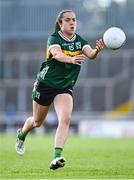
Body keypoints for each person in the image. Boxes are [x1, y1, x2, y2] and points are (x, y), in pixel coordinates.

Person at [15, 9, 104, 170]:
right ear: (60, 24)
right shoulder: (54, 38)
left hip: (64, 87)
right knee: (37, 122)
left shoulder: (80, 40)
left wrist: (97, 50)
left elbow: (90, 54)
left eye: (74, 20)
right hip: (46, 84)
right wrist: (71, 59)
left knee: (65, 119)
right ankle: (22, 134)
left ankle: (56, 158)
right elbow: (56, 54)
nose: (72, 23)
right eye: (68, 20)